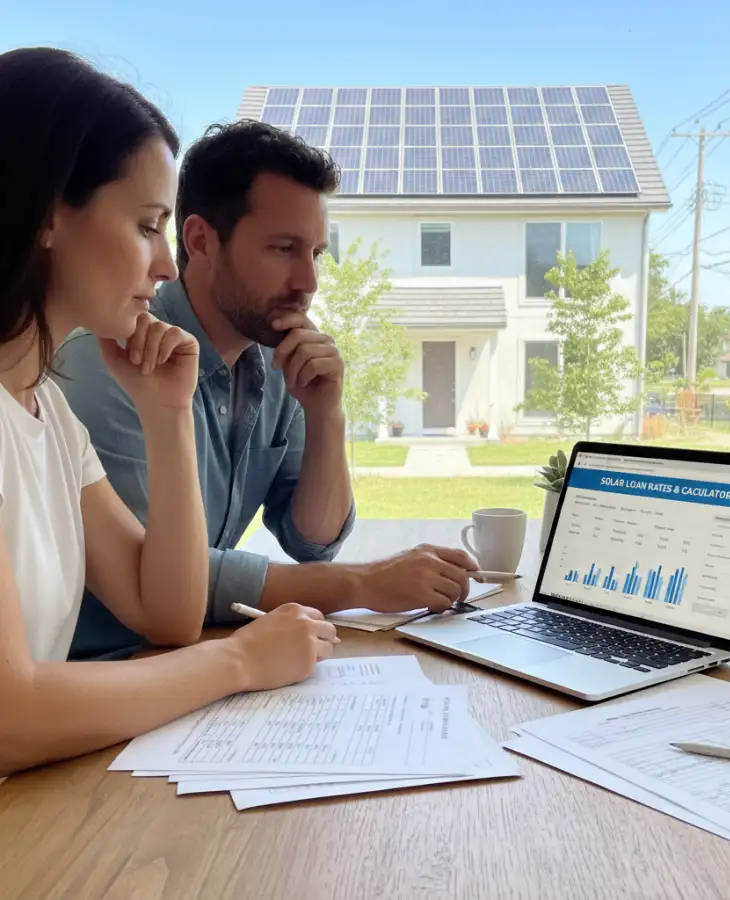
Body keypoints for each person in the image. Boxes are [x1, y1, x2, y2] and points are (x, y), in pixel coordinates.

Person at [0, 47, 339, 777]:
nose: (165, 265)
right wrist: (241, 660)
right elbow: (10, 716)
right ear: (49, 214)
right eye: (149, 224)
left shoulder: (44, 411)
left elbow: (167, 613)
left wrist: (168, 413)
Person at [55, 118, 477, 661]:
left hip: (187, 656)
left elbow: (313, 542)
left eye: (316, 253)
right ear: (201, 241)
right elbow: (156, 574)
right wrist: (361, 583)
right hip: (104, 669)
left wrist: (327, 418)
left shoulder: (277, 358)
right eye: (283, 249)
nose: (309, 282)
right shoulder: (110, 354)